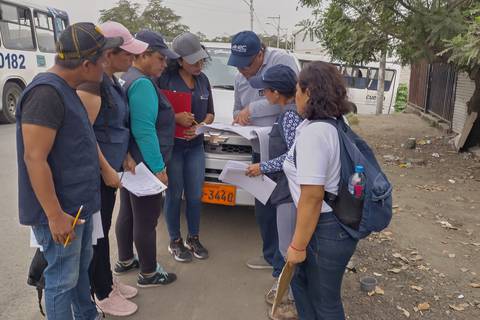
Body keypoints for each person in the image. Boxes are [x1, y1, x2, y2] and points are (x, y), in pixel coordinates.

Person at [16, 23, 122, 320]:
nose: (106, 64)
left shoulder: (68, 89)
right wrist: (54, 215)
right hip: (63, 212)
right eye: (103, 58)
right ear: (87, 64)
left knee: (78, 271)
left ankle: (87, 315)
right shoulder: (46, 93)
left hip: (79, 206)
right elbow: (34, 158)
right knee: (61, 280)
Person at [76, 21, 148, 316]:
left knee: (102, 229)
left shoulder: (112, 81)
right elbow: (85, 134)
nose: (132, 60)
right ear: (108, 53)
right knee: (97, 233)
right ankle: (101, 291)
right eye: (127, 54)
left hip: (111, 169)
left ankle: (105, 281)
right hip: (96, 172)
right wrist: (107, 167)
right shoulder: (93, 85)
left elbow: (115, 126)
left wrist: (126, 157)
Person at [227, 30, 299, 302]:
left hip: (279, 161)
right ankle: (274, 259)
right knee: (264, 207)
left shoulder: (282, 63)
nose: (243, 72)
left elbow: (294, 158)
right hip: (261, 150)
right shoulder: (240, 78)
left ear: (260, 55)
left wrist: (253, 110)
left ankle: (286, 278)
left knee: (286, 218)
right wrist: (242, 116)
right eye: (238, 66)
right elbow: (236, 111)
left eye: (247, 64)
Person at [283, 61, 358, 319]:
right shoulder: (333, 123)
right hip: (329, 226)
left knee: (325, 303)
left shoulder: (315, 134)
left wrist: (298, 245)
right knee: (304, 288)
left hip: (324, 229)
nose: (295, 96)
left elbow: (313, 196)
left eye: (297, 90)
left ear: (309, 92)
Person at [114, 30, 178, 287]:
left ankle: (126, 260)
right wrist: (159, 167)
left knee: (129, 213)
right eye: (161, 59)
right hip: (145, 164)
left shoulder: (130, 77)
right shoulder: (141, 83)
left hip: (133, 162)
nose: (164, 64)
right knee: (147, 219)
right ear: (144, 54)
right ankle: (150, 273)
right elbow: (144, 129)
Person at [245, 64, 302, 320]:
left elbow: (294, 156)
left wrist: (262, 167)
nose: (263, 95)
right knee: (288, 245)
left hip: (289, 190)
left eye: (265, 90)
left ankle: (289, 298)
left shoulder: (290, 116)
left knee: (287, 246)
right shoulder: (290, 112)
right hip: (288, 188)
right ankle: (286, 289)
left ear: (277, 92)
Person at [158, 32, 214, 262]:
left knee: (194, 195)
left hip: (196, 146)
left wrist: (201, 125)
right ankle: (175, 240)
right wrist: (175, 118)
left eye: (201, 60)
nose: (199, 65)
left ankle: (193, 237)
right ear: (179, 60)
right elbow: (156, 114)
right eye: (194, 61)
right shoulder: (165, 80)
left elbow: (210, 114)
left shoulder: (204, 81)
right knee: (173, 194)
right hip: (174, 148)